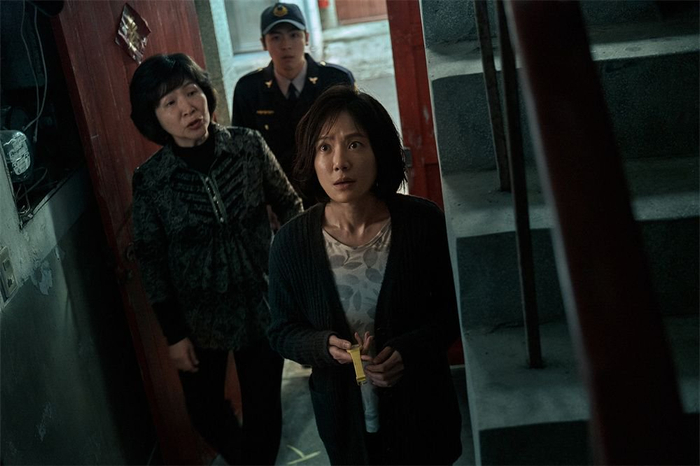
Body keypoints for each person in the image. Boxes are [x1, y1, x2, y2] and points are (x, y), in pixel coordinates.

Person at [267, 85, 462, 465]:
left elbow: (454, 312)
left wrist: (408, 351)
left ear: (379, 151)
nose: (339, 162)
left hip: (423, 412)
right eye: (324, 147)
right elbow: (281, 331)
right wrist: (323, 345)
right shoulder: (291, 242)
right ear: (312, 159)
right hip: (344, 420)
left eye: (355, 144)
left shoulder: (422, 223)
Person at [129, 53, 302, 465]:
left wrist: (291, 274)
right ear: (154, 118)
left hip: (261, 305)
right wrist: (174, 335)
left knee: (264, 412)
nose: (188, 107)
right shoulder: (151, 180)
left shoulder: (248, 146)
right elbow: (151, 260)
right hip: (198, 320)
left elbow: (289, 204)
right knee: (204, 411)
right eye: (170, 102)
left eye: (192, 92)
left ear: (206, 94)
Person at [232, 2, 355, 204]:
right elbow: (243, 153)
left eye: (294, 35)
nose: (286, 45)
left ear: (306, 37)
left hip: (331, 190)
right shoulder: (248, 90)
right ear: (263, 43)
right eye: (276, 37)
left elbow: (355, 139)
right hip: (277, 198)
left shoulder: (335, 80)